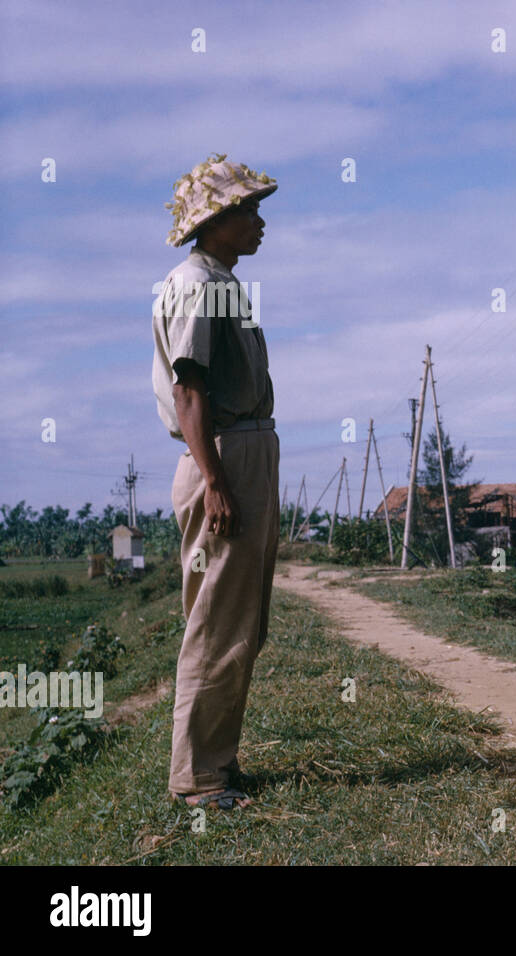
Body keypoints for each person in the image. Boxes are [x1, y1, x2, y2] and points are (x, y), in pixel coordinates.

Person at [151, 153, 280, 811]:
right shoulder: (198, 284)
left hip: (240, 455)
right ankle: (199, 780)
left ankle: (216, 765)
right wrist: (218, 482)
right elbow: (190, 390)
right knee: (216, 624)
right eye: (247, 210)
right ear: (217, 219)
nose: (259, 222)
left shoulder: (221, 281)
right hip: (222, 459)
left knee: (240, 621)